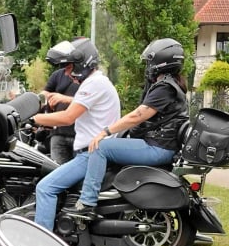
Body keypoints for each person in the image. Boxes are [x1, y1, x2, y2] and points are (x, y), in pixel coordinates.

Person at [61, 38, 190, 218]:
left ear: (161, 62)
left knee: (100, 147)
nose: (148, 66)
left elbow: (138, 115)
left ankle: (87, 203)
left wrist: (105, 132)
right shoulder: (170, 84)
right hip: (161, 144)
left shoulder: (165, 88)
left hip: (158, 147)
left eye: (149, 62)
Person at [31, 38, 121, 231]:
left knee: (45, 188)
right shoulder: (96, 82)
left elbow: (67, 118)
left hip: (89, 154)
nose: (66, 72)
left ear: (83, 62)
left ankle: (41, 242)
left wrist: (32, 118)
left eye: (69, 67)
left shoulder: (93, 83)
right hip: (90, 151)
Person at [42, 42, 80, 163]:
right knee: (57, 169)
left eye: (68, 66)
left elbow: (89, 101)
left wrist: (64, 98)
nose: (66, 72)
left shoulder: (88, 79)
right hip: (58, 133)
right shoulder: (57, 75)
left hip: (79, 134)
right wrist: (49, 98)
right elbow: (45, 93)